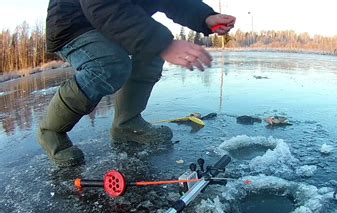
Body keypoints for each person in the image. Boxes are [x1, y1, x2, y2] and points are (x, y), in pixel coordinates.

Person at [39, 0, 236, 167]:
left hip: (115, 20)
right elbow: (102, 5)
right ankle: (51, 131)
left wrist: (205, 17)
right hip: (75, 25)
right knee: (110, 64)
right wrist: (164, 44)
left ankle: (127, 124)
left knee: (151, 52)